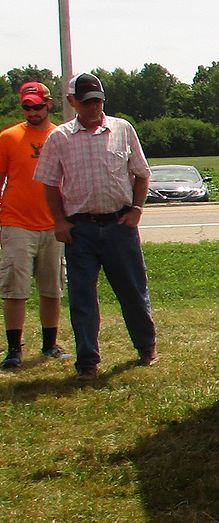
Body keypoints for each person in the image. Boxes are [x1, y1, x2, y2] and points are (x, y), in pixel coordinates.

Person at [34, 72, 157, 381]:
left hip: (119, 225)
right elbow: (49, 184)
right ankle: (87, 362)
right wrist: (59, 221)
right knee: (82, 298)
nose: (94, 108)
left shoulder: (122, 129)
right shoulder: (59, 138)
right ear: (72, 102)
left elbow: (142, 174)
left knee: (133, 291)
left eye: (98, 101)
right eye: (87, 102)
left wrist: (136, 210)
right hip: (80, 230)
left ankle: (146, 347)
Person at [0, 81, 69, 369]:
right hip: (16, 222)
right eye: (26, 107)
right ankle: (13, 350)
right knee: (14, 289)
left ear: (48, 104)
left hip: (53, 224)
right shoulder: (8, 138)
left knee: (52, 288)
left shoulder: (61, 136)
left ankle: (50, 344)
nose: (32, 112)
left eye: (37, 106)